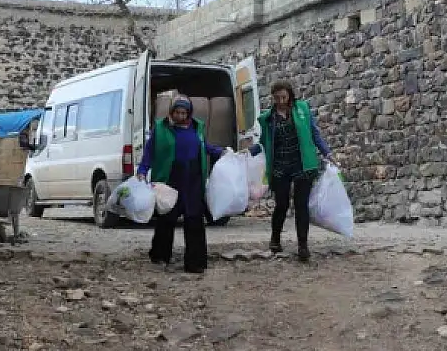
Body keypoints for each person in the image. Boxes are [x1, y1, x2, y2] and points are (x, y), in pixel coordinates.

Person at [136, 97, 226, 273]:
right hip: (171, 177)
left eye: (184, 113)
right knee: (167, 216)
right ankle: (160, 256)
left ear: (189, 113)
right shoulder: (161, 128)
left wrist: (221, 151)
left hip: (193, 178)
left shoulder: (197, 127)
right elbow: (150, 151)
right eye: (177, 112)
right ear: (172, 112)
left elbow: (203, 146)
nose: (180, 116)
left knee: (194, 218)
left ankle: (196, 262)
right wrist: (142, 170)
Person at [248, 81, 334, 262]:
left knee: (301, 205)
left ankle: (303, 245)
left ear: (290, 95)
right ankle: (275, 239)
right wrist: (248, 152)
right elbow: (264, 142)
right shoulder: (267, 118)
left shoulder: (302, 109)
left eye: (284, 97)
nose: (280, 101)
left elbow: (314, 133)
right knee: (282, 204)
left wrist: (327, 152)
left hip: (303, 164)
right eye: (277, 98)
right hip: (280, 166)